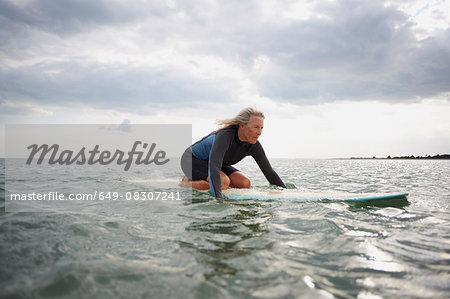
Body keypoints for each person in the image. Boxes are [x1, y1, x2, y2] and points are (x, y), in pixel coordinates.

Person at [180, 107, 286, 199]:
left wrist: (286, 192)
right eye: (256, 127)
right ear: (242, 125)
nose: (259, 132)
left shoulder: (254, 145)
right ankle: (186, 183)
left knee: (245, 183)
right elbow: (214, 168)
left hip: (215, 164)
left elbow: (269, 173)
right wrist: (219, 198)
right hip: (191, 161)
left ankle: (211, 183)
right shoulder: (224, 137)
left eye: (261, 128)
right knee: (223, 182)